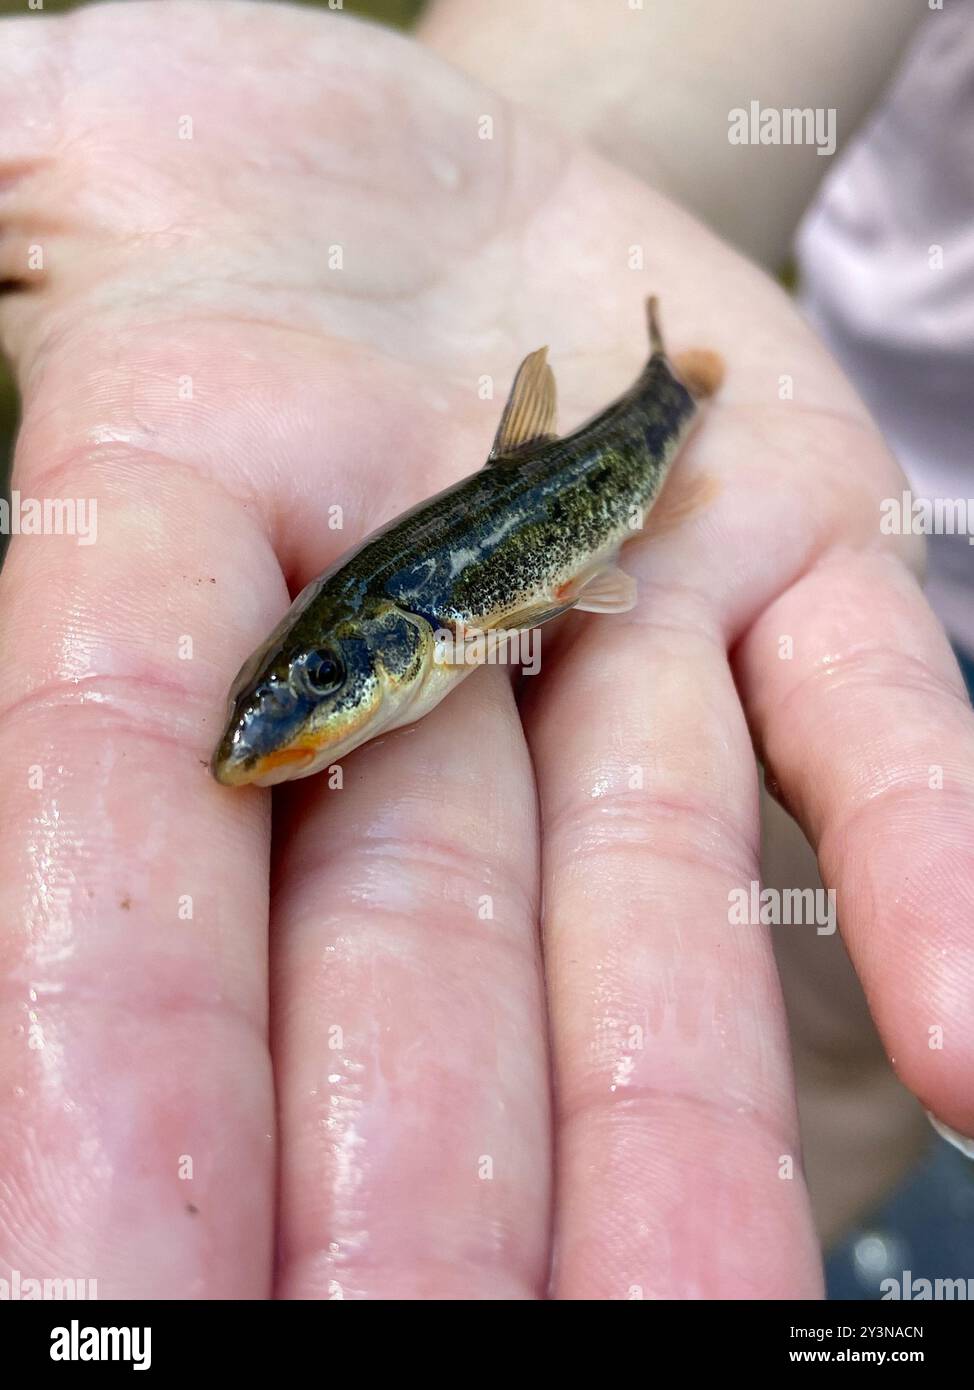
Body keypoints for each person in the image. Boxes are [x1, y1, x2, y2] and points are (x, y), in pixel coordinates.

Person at [0, 0, 969, 1299]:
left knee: (866, 1002)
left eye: (330, 680)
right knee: (826, 1017)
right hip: (919, 541)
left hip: (877, 555)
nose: (294, 722)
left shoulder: (477, 608)